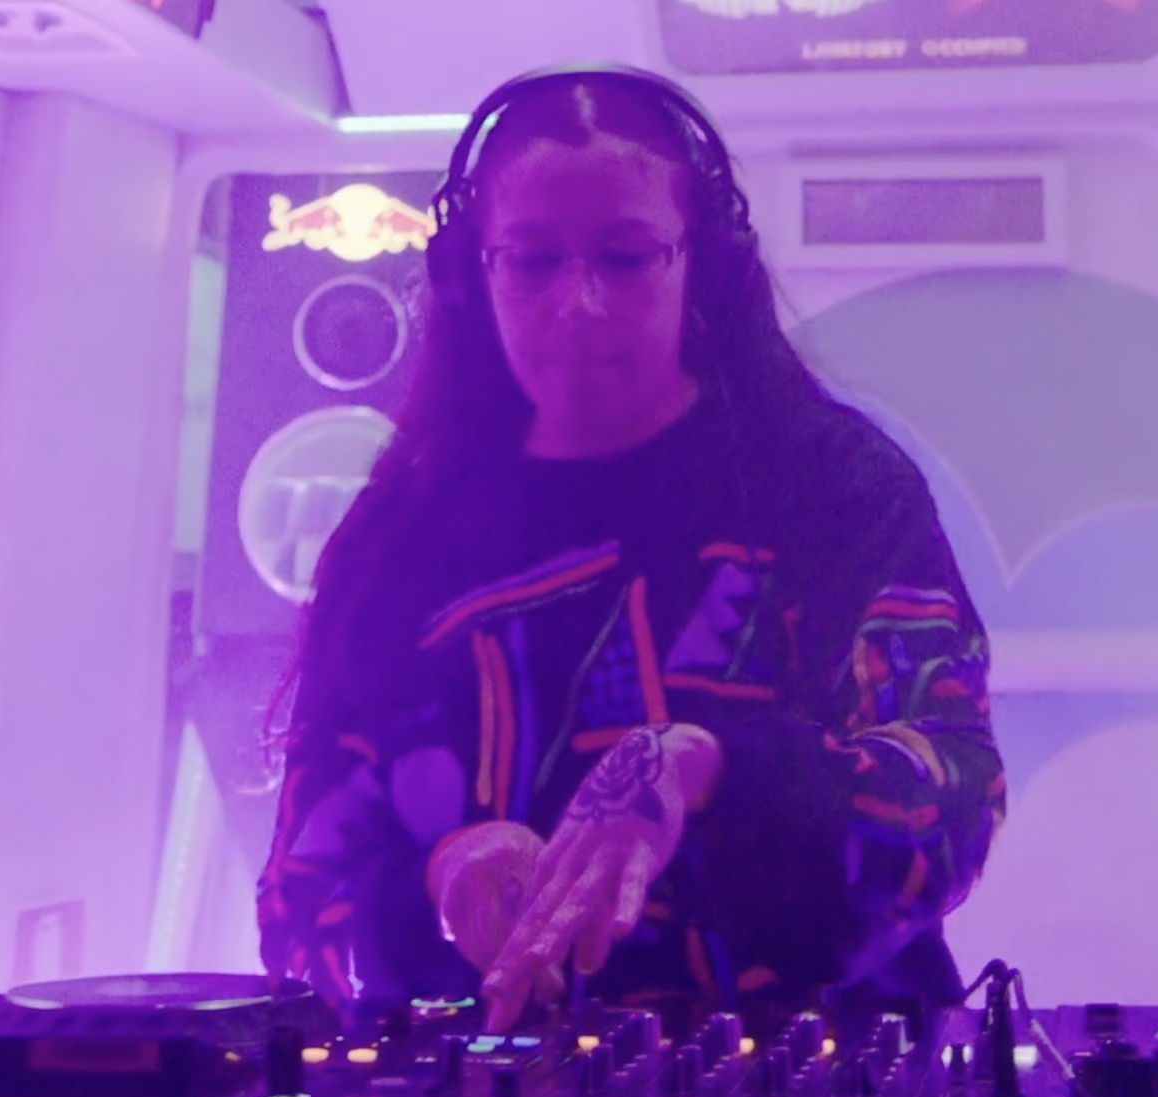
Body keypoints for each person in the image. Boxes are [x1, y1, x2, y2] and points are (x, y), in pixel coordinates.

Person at [255, 64, 1004, 1036]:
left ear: (703, 265)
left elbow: (952, 796)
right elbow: (297, 906)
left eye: (625, 257)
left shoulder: (837, 488)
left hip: (827, 1084)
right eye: (532, 260)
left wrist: (709, 768)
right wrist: (437, 876)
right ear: (472, 276)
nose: (579, 302)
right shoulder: (394, 546)